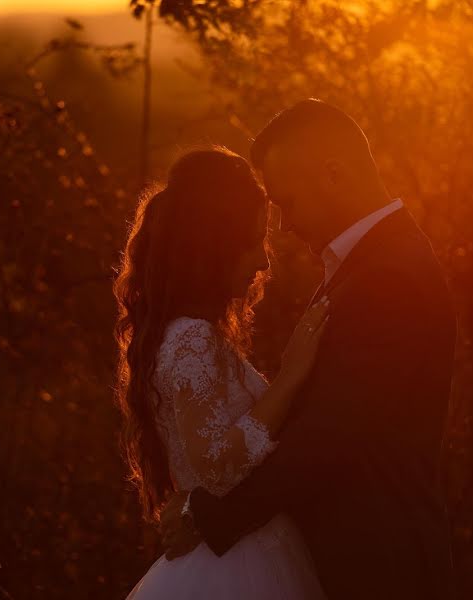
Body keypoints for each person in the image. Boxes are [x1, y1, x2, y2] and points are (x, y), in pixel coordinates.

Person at [158, 99, 457, 600]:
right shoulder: (368, 262)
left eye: (287, 202)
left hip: (380, 567)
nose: (283, 224)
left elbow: (330, 436)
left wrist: (209, 515)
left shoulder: (389, 276)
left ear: (333, 174)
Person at [115, 145, 329, 599]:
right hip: (236, 565)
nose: (263, 262)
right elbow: (215, 468)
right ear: (216, 245)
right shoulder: (193, 339)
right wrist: (290, 378)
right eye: (254, 241)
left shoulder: (192, 335)